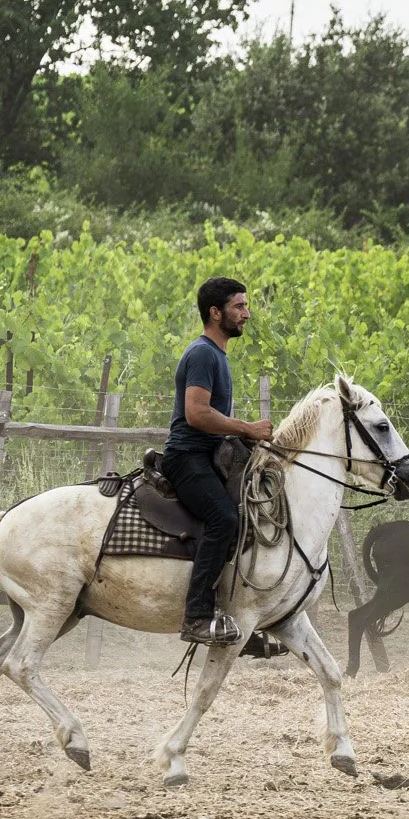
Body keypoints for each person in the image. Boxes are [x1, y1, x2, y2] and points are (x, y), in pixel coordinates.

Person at [164, 277, 274, 646]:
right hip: (187, 457)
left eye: (246, 306)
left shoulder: (217, 355)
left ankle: (237, 616)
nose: (247, 313)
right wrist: (248, 428)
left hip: (209, 455)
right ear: (215, 312)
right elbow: (196, 414)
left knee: (250, 518)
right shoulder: (202, 354)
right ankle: (196, 617)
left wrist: (244, 435)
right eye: (239, 307)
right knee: (223, 518)